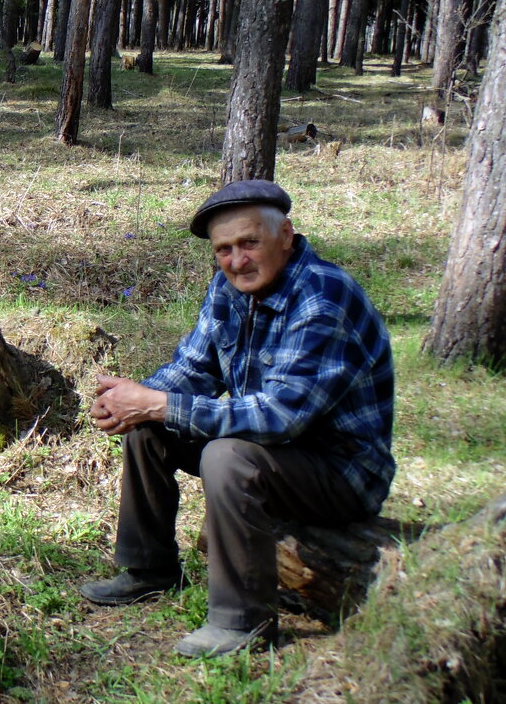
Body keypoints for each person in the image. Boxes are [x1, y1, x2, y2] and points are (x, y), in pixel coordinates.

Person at [81, 180, 395, 658]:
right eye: (224, 249)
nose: (236, 260)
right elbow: (193, 368)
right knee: (150, 428)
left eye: (250, 242)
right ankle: (149, 569)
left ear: (286, 236)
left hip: (342, 471)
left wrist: (156, 402)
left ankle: (242, 622)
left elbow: (280, 417)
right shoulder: (229, 289)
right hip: (278, 453)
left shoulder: (324, 297)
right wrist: (131, 397)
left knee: (226, 456)